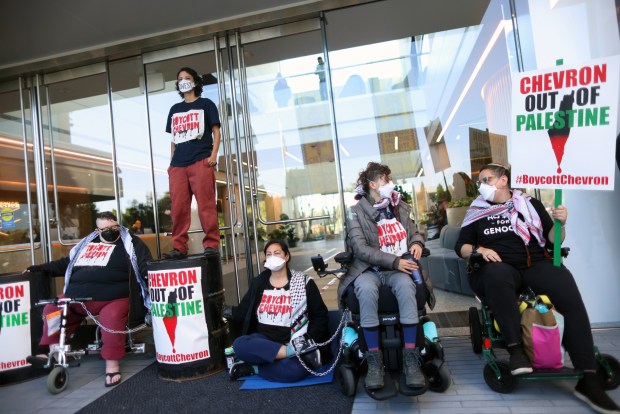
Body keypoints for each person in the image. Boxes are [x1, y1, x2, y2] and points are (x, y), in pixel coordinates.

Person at [455, 162, 620, 414]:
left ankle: (588, 376)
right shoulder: (477, 211)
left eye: (486, 179)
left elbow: (554, 240)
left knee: (564, 284)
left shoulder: (529, 203)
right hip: (498, 267)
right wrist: (480, 250)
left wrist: (560, 223)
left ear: (503, 180)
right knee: (497, 274)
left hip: (534, 262)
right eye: (480, 181)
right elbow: (462, 247)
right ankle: (516, 350)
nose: (481, 185)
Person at [23, 211, 151, 387]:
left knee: (111, 319)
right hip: (77, 298)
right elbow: (64, 264)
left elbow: (144, 265)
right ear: (97, 231)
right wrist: (38, 269)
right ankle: (53, 352)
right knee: (52, 310)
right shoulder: (86, 244)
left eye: (114, 227)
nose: (111, 231)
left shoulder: (132, 243)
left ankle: (112, 365)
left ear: (118, 225)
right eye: (105, 229)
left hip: (114, 297)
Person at [337, 162, 435, 390]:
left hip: (397, 270)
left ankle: (411, 360)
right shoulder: (355, 212)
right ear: (373, 184)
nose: (390, 183)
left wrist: (417, 243)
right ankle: (374, 363)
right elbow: (360, 249)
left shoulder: (399, 206)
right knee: (367, 290)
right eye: (386, 179)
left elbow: (414, 231)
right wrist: (394, 261)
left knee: (406, 287)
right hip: (367, 269)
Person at [226, 240, 329, 382]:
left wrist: (307, 341)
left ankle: (254, 367)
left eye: (277, 253)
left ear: (286, 256)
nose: (272, 257)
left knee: (295, 370)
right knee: (239, 345)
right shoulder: (259, 283)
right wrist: (223, 311)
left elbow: (320, 316)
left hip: (295, 340)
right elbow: (243, 311)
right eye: (269, 254)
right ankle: (287, 353)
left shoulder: (305, 283)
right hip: (264, 340)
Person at [163, 66, 221, 259]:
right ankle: (179, 247)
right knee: (178, 207)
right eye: (180, 79)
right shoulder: (175, 109)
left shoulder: (206, 104)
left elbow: (216, 132)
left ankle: (211, 244)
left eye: (187, 78)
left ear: (195, 81)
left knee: (206, 205)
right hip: (178, 165)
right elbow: (174, 139)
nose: (183, 81)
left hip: (200, 160)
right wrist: (171, 163)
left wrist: (213, 156)